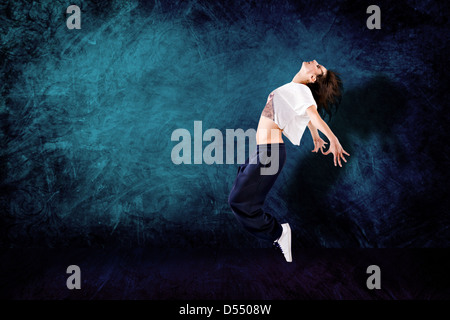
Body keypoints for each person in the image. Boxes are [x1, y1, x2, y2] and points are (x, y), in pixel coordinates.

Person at [228, 60, 349, 262]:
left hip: (270, 154)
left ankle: (278, 232)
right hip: (262, 151)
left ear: (312, 78)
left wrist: (332, 138)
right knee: (238, 193)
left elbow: (313, 113)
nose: (316, 63)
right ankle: (277, 232)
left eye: (319, 68)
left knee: (239, 202)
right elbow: (305, 113)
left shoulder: (302, 91)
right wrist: (314, 134)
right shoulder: (294, 89)